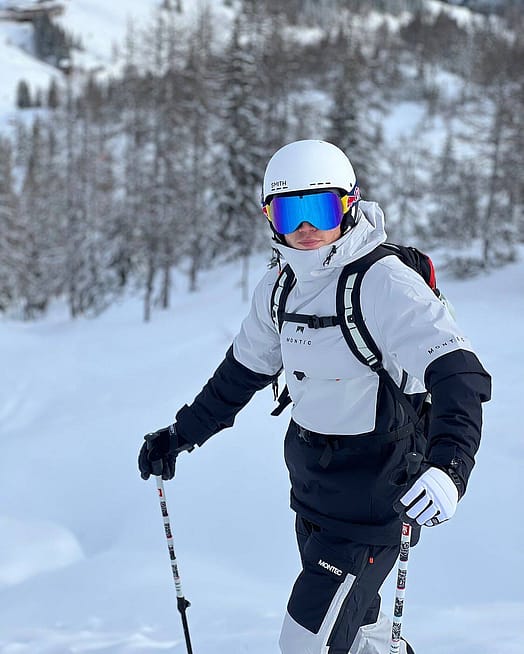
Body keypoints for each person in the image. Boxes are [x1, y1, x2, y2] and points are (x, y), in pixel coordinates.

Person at [138, 140, 491, 654]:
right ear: (270, 217)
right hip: (313, 491)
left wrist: (451, 467)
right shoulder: (279, 288)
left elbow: (459, 374)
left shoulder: (383, 282)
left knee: (306, 642)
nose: (305, 227)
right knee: (362, 636)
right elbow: (240, 374)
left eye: (319, 209)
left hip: (377, 495)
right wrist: (180, 435)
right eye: (289, 212)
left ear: (348, 205)